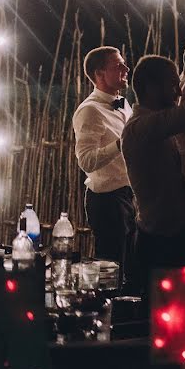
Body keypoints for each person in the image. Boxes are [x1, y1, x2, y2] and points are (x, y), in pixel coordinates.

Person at [121, 55, 185, 291]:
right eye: (172, 84)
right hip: (157, 244)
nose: (178, 91)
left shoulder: (158, 124)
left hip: (178, 239)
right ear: (151, 88)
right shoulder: (138, 128)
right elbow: (184, 111)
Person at [72, 46, 135, 270]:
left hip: (129, 195)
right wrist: (120, 144)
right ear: (99, 74)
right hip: (107, 201)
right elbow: (86, 161)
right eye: (118, 66)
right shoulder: (89, 110)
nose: (126, 68)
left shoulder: (124, 104)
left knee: (129, 267)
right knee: (111, 268)